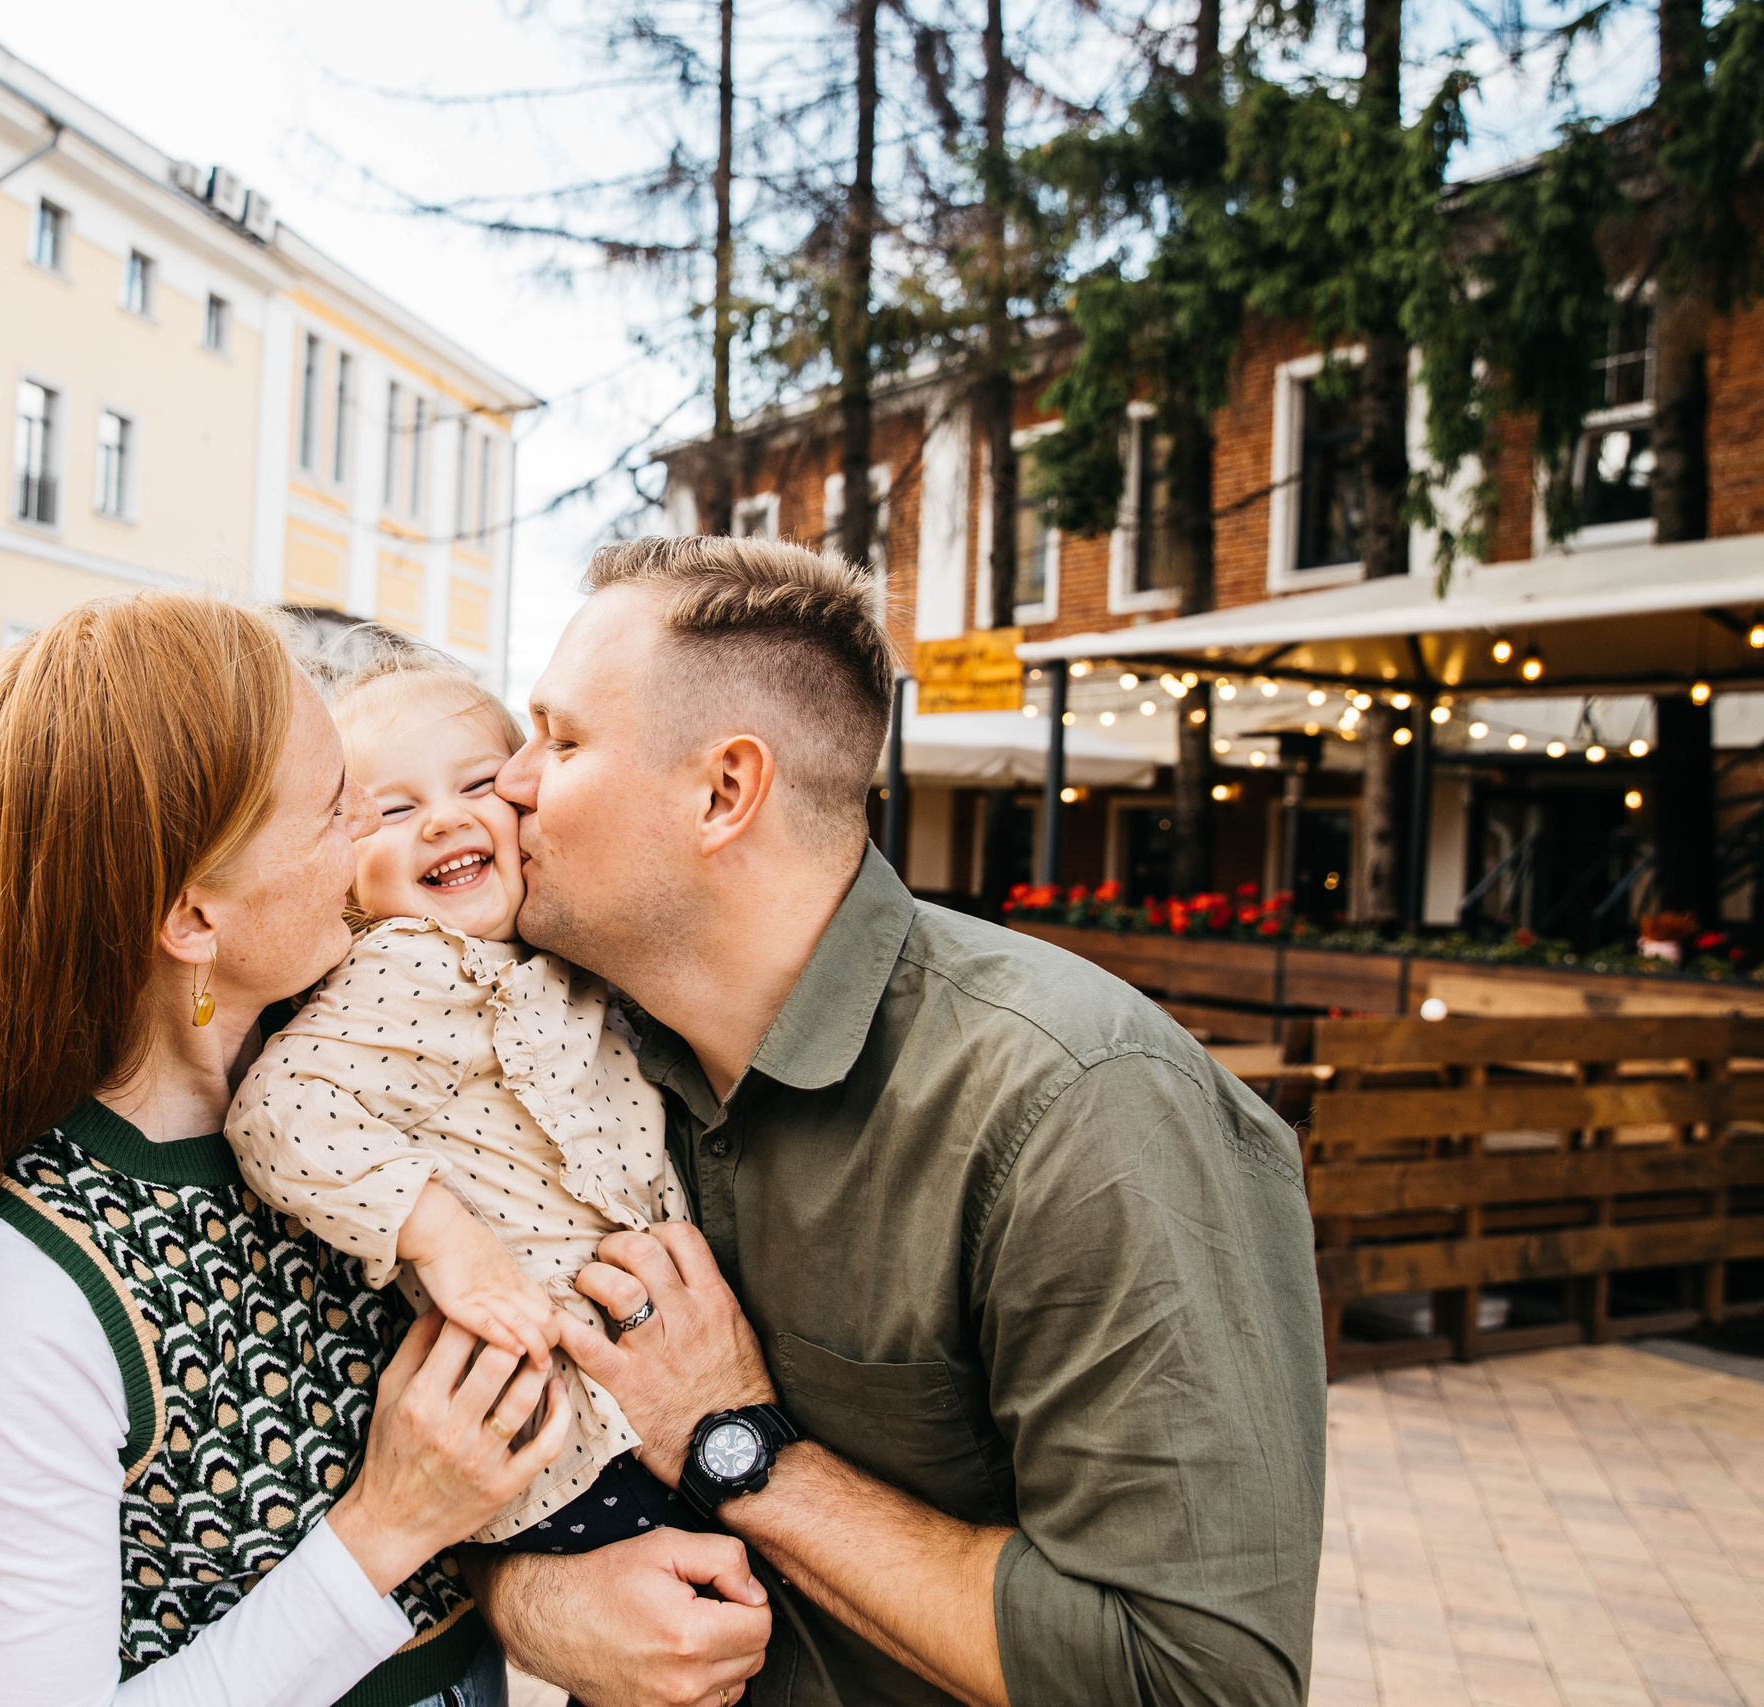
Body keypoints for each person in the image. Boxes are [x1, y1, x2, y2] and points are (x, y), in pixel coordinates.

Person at [0, 594, 716, 1707]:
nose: (372, 840)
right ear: (193, 920)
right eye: (340, 809)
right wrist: (385, 1526)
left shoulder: (358, 1091)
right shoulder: (33, 1285)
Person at [472, 536, 1327, 1707]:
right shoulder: (567, 1052)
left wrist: (736, 1441)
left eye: (561, 741)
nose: (510, 784)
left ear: (724, 791)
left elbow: (1188, 1681)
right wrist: (530, 1603)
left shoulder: (1076, 1104)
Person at [229, 654, 695, 1555]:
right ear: (347, 871)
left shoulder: (547, 953)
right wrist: (444, 1234)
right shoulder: (406, 963)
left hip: (631, 1395)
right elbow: (280, 1112)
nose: (444, 817)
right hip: (562, 1428)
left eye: (479, 783)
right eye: (394, 809)